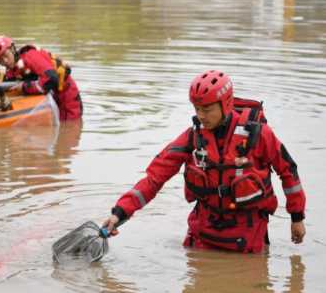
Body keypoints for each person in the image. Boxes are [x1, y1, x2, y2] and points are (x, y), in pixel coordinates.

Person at [102, 70, 306, 253]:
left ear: (226, 104)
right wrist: (119, 214)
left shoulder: (259, 134)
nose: (201, 116)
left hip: (248, 234)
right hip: (202, 233)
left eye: (207, 109)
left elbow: (289, 172)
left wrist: (297, 218)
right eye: (197, 109)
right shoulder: (193, 137)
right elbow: (155, 178)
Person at [0, 35, 82, 121]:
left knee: (69, 128)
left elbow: (51, 80)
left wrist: (24, 87)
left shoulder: (31, 56)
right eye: (0, 59)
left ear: (12, 49)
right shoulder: (13, 69)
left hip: (66, 97)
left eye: (5, 55)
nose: (5, 61)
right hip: (52, 98)